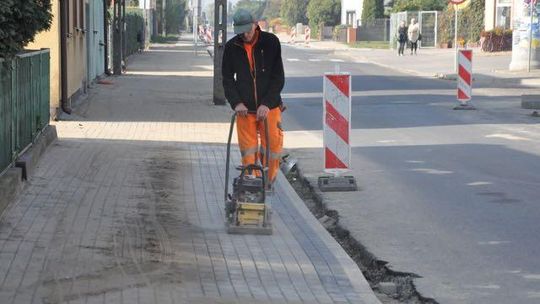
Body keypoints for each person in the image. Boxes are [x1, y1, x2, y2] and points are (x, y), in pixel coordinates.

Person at [222, 9, 285, 188]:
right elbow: (227, 79)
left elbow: (278, 77)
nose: (245, 35)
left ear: (255, 24)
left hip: (270, 107)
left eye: (248, 30)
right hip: (245, 110)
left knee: (272, 149)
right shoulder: (232, 47)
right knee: (249, 151)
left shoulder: (271, 42)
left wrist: (267, 103)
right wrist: (236, 103)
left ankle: (268, 185)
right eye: (241, 31)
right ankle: (252, 185)